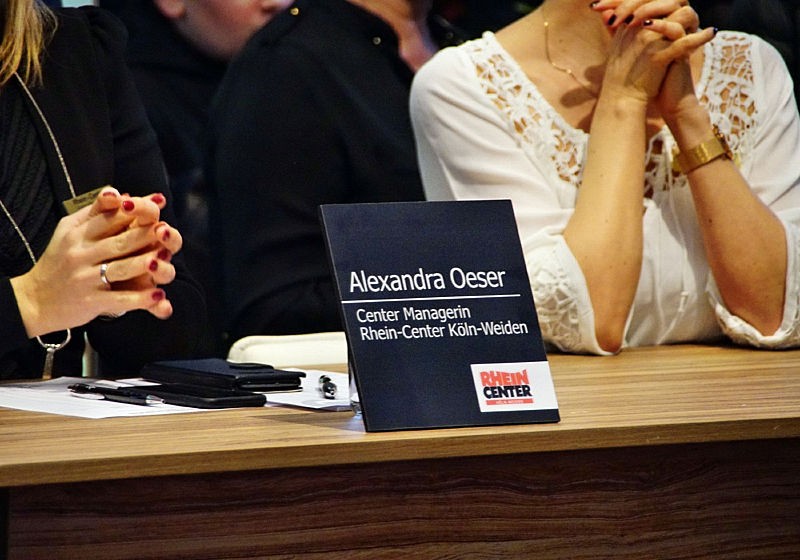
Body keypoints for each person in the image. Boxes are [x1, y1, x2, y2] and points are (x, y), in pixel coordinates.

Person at [410, 0, 800, 354]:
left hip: (745, 400)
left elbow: (773, 315)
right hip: (578, 406)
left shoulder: (748, 65)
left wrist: (686, 116)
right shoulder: (464, 85)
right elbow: (588, 321)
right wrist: (624, 98)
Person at [206, 0, 465, 350]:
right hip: (366, 370)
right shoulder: (284, 66)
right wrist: (465, 295)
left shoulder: (468, 51)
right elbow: (273, 305)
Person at [0, 1, 207, 379]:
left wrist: (122, 287)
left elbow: (176, 335)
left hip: (57, 412)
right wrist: (30, 302)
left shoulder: (74, 50)